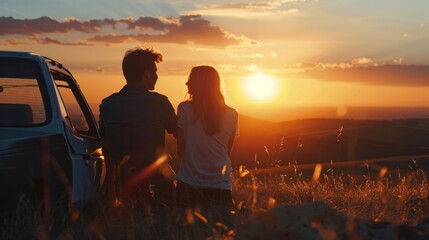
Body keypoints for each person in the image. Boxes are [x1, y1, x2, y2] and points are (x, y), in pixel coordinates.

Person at [98, 47, 176, 208]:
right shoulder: (160, 103)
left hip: (123, 186)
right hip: (158, 185)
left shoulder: (107, 104)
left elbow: (106, 148)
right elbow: (181, 135)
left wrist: (110, 187)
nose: (156, 76)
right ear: (146, 73)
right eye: (154, 71)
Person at [175, 66, 239, 233]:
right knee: (221, 233)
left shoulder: (184, 109)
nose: (187, 83)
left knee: (186, 233)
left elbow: (180, 150)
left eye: (191, 79)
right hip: (220, 185)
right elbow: (226, 152)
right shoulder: (232, 114)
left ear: (200, 84)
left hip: (188, 183)